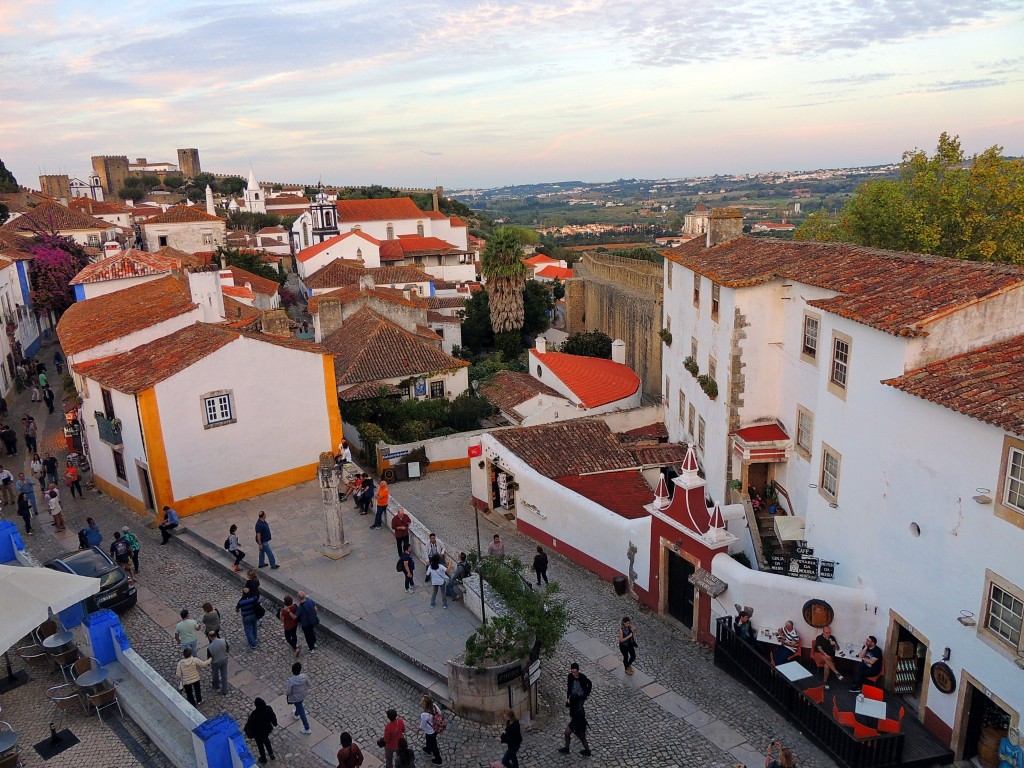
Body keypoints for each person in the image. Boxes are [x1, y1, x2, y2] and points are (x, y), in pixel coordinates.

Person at [561, 662, 593, 755]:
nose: (574, 674)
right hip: (575, 720)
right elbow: (569, 688)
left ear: (578, 671)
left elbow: (589, 684)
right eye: (572, 672)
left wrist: (586, 693)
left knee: (582, 737)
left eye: (575, 672)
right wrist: (568, 697)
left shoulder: (583, 678)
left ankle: (587, 751)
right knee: (567, 733)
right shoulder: (570, 677)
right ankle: (567, 748)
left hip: (579, 721)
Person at [244, 697, 278, 764]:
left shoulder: (254, 714)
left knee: (260, 746)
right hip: (266, 730)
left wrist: (249, 717)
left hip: (258, 733)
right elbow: (273, 717)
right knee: (266, 740)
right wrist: (275, 723)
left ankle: (263, 759)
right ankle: (271, 754)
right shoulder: (268, 708)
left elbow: (250, 725)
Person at [286, 661, 313, 734]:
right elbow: (309, 684)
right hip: (303, 694)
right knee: (299, 706)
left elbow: (288, 692)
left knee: (302, 711)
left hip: (296, 697)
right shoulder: (304, 676)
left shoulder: (291, 681)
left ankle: (307, 728)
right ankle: (296, 714)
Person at [418, 695, 443, 765]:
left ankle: (438, 760)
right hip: (436, 729)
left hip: (430, 731)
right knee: (428, 740)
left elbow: (422, 726)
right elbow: (440, 713)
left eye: (422, 701)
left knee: (434, 746)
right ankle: (428, 750)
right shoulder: (434, 706)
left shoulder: (424, 715)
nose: (421, 701)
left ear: (425, 704)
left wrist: (418, 729)